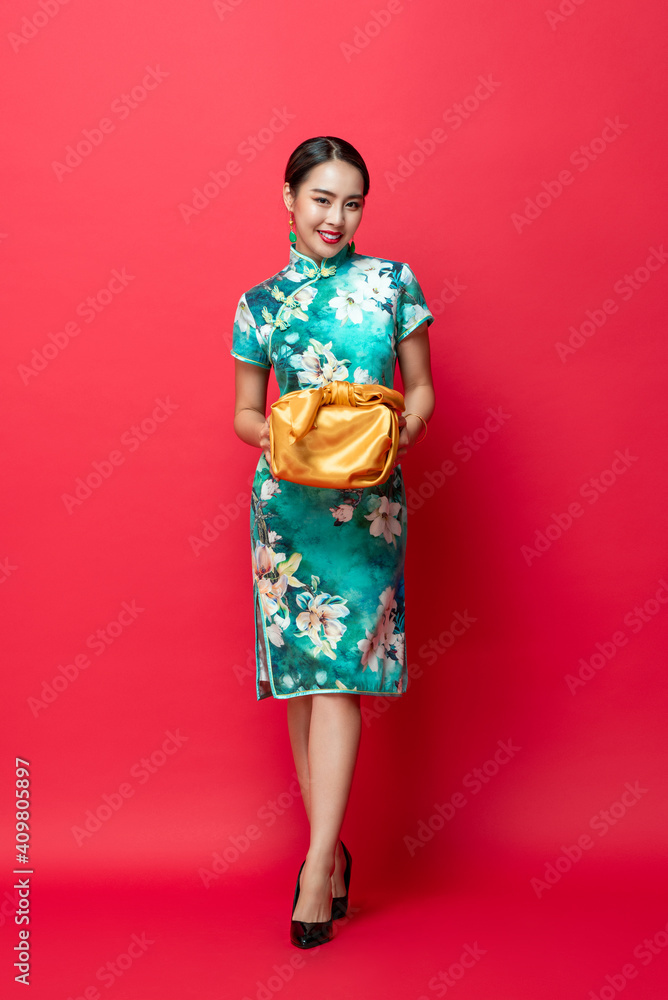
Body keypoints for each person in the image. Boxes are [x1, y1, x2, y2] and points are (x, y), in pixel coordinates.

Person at [230, 136, 435, 948]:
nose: (335, 218)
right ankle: (333, 851)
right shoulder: (259, 302)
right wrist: (286, 440)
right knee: (300, 683)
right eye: (321, 199)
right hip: (288, 512)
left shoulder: (391, 282)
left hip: (369, 507)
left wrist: (398, 436)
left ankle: (316, 870)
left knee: (341, 677)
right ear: (287, 199)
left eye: (351, 203)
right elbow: (245, 411)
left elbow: (419, 386)